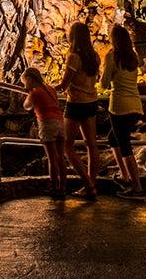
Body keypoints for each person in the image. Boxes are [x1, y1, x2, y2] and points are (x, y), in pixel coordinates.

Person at [56, 22, 100, 199]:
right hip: (92, 101)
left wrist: (47, 88)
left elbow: (64, 84)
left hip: (76, 103)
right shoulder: (95, 56)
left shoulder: (74, 57)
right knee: (91, 145)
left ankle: (88, 183)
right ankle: (92, 184)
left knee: (66, 146)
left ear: (73, 37)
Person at [101, 25, 145, 200]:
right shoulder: (133, 56)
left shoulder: (112, 57)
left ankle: (137, 188)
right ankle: (124, 175)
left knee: (125, 147)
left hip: (119, 107)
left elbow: (104, 83)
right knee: (113, 139)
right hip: (136, 106)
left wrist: (104, 77)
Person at [21, 67, 67, 198]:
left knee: (52, 159)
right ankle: (63, 187)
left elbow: (26, 106)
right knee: (61, 158)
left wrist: (28, 93)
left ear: (30, 79)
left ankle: (54, 187)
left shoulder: (35, 93)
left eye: (25, 82)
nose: (25, 85)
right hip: (60, 123)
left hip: (47, 124)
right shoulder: (51, 89)